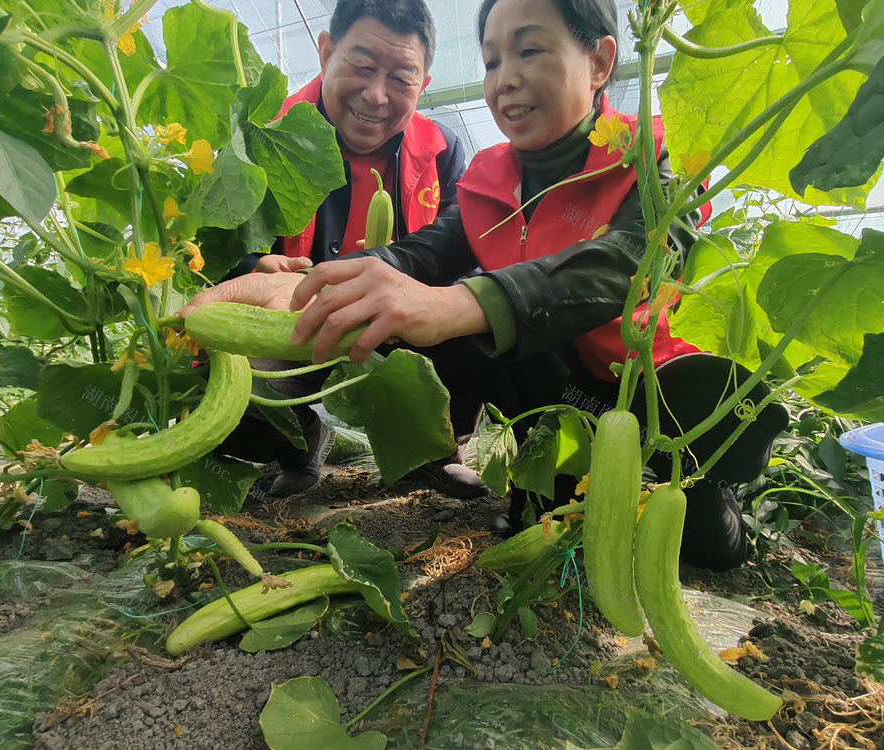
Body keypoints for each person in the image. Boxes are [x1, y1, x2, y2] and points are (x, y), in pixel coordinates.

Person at [186, 0, 788, 570]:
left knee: (711, 545)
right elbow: (424, 254)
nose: (507, 78)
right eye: (494, 59)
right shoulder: (487, 178)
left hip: (642, 389)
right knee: (537, 466)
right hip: (548, 392)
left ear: (601, 63)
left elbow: (629, 259)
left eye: (530, 52)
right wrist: (320, 281)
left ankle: (703, 487)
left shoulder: (656, 157)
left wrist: (463, 301)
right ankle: (542, 491)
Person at [217, 0, 488, 500]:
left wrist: (424, 300)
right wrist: (256, 266)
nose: (376, 95)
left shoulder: (444, 149)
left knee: (472, 313)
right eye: (361, 67)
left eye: (401, 78)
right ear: (326, 53)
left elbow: (459, 248)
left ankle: (436, 451)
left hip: (403, 324)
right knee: (226, 378)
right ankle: (298, 444)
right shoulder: (266, 133)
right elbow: (222, 243)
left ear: (423, 84)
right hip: (297, 322)